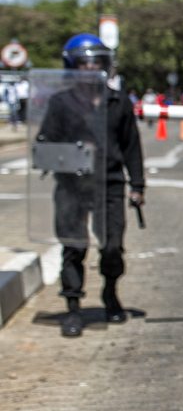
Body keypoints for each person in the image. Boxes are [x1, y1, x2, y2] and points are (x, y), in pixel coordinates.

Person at [39, 34, 145, 338]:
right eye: (83, 63)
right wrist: (69, 152)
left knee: (112, 245)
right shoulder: (61, 102)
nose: (90, 68)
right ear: (72, 66)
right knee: (73, 246)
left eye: (96, 62)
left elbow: (132, 148)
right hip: (72, 184)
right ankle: (73, 308)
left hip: (110, 183)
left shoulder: (118, 102)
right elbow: (44, 145)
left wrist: (137, 186)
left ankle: (111, 293)